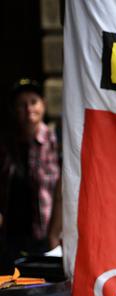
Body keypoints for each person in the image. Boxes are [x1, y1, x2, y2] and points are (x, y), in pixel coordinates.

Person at [0, 78, 60, 273]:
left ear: (43, 104)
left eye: (33, 102)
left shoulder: (55, 141)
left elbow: (64, 189)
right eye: (21, 104)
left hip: (46, 237)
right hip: (12, 238)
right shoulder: (6, 145)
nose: (28, 109)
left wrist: (54, 234)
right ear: (13, 109)